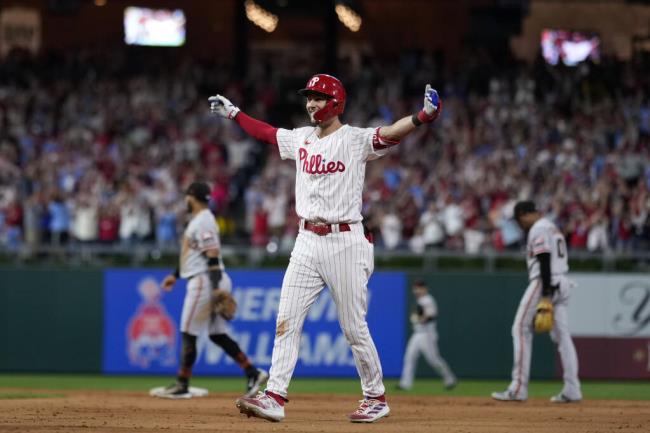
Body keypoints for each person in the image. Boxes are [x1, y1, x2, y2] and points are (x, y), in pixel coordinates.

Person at [209, 74, 442, 423]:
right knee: (286, 319)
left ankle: (376, 396)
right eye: (309, 97)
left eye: (319, 97)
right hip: (306, 239)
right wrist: (235, 114)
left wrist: (422, 117)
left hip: (345, 240)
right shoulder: (302, 137)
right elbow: (268, 134)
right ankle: (274, 396)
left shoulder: (353, 139)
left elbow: (391, 132)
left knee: (352, 326)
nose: (311, 103)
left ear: (335, 102)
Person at [154, 181, 268, 399]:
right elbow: (195, 255)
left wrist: (215, 289)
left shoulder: (204, 221)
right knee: (217, 334)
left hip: (206, 280)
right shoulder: (198, 220)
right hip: (207, 278)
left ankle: (182, 383)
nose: (185, 200)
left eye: (187, 196)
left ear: (192, 197)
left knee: (188, 331)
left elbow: (212, 255)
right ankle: (252, 372)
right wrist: (175, 275)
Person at [492, 201, 582, 403]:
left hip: (544, 281)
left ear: (525, 214)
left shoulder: (538, 228)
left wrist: (546, 294)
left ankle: (518, 388)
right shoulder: (551, 226)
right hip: (563, 282)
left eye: (518, 219)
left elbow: (543, 258)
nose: (519, 224)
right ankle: (572, 389)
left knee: (520, 328)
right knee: (562, 337)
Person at [397, 280, 457, 391]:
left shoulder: (428, 300)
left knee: (433, 360)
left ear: (425, 288)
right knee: (409, 357)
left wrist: (421, 318)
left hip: (427, 334)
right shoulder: (419, 300)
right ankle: (405, 384)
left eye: (419, 287)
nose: (417, 290)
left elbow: (431, 316)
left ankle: (450, 379)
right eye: (415, 287)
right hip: (417, 333)